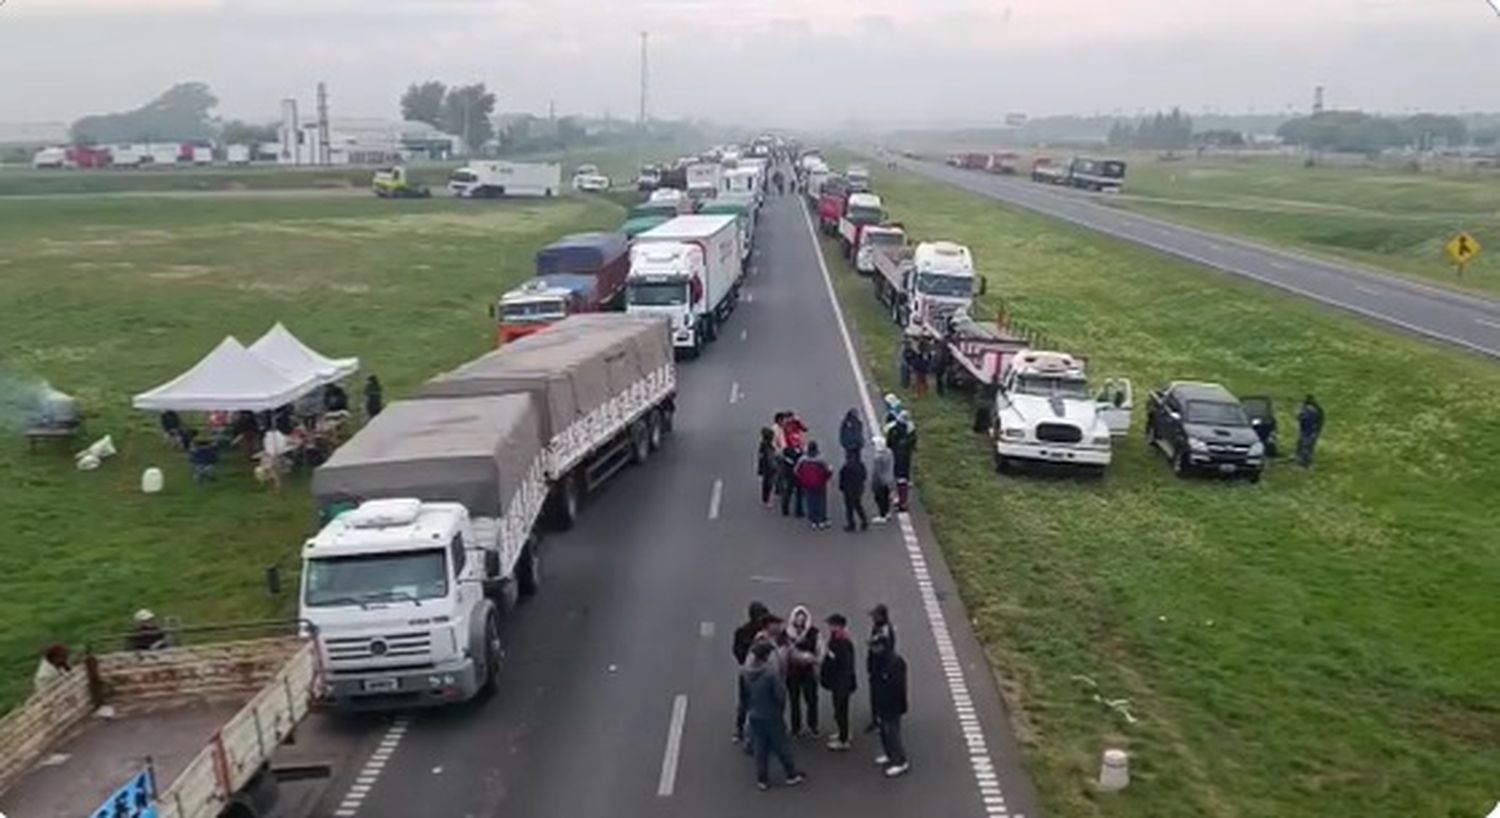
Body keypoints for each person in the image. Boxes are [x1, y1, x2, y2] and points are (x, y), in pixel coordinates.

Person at [742, 641, 806, 790]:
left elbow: (744, 696)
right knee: (781, 744)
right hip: (771, 714)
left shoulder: (745, 673)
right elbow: (780, 695)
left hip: (755, 713)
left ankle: (762, 778)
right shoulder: (770, 674)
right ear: (766, 656)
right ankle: (791, 773)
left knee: (760, 746)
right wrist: (779, 708)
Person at [869, 640, 910, 778]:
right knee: (884, 731)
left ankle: (900, 761)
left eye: (875, 646)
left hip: (892, 705)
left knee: (892, 732)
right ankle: (889, 754)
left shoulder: (895, 663)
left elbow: (898, 687)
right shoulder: (878, 660)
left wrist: (897, 705)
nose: (872, 649)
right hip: (881, 702)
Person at [733, 602, 772, 743]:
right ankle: (740, 728)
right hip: (748, 671)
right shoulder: (743, 632)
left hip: (764, 671)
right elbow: (737, 651)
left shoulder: (768, 632)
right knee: (745, 701)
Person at [820, 613, 858, 751]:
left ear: (838, 626)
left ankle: (843, 739)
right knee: (841, 710)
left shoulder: (841, 642)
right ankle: (844, 732)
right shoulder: (839, 639)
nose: (829, 627)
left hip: (841, 683)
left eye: (831, 624)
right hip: (840, 681)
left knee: (840, 710)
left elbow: (842, 663)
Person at [785, 606, 821, 737]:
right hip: (792, 672)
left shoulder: (814, 633)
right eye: (798, 618)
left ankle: (813, 726)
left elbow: (819, 649)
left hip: (808, 671)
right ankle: (796, 727)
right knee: (794, 700)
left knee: (811, 699)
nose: (800, 621)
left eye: (802, 619)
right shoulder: (786, 633)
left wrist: (814, 660)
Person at [865, 604, 897, 732]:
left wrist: (873, 644)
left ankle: (881, 719)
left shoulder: (885, 631)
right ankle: (876, 718)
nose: (873, 618)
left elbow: (884, 649)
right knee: (874, 694)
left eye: (875, 616)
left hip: (883, 668)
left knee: (880, 694)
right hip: (875, 667)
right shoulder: (878, 627)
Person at [794, 441, 833, 530]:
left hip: (807, 483)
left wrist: (802, 479)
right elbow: (828, 470)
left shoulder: (803, 459)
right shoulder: (821, 459)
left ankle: (813, 521)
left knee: (810, 500)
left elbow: (796, 471)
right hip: (820, 483)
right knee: (821, 501)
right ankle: (822, 520)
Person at [887, 413, 917, 512]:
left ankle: (900, 500)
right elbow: (913, 442)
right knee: (903, 479)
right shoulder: (910, 429)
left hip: (897, 456)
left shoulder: (894, 428)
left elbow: (889, 442)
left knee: (898, 479)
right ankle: (902, 500)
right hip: (906, 457)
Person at [839, 452, 869, 532]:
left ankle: (851, 524)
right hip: (858, 488)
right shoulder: (860, 465)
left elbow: (842, 479)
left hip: (848, 490)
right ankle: (864, 521)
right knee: (858, 505)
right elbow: (864, 476)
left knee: (849, 508)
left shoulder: (845, 468)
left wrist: (842, 488)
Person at [870, 436, 895, 523]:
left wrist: (873, 484)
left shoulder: (878, 458)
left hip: (880, 481)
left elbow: (877, 472)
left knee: (879, 498)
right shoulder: (889, 452)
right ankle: (887, 513)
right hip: (888, 478)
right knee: (886, 497)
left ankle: (882, 515)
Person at [779, 437, 805, 518]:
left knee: (788, 491)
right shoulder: (799, 453)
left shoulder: (786, 451)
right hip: (797, 474)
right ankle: (799, 511)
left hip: (788, 474)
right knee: (799, 493)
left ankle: (785, 509)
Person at [1296, 394, 1324, 468]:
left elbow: (1300, 417)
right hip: (1309, 430)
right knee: (1304, 444)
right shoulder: (1316, 409)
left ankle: (1305, 463)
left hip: (1309, 431)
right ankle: (1301, 460)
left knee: (1306, 445)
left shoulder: (1311, 410)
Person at [756, 427, 779, 508]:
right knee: (769, 484)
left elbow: (760, 457)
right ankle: (767, 500)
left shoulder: (763, 445)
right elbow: (770, 458)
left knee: (766, 484)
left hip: (765, 467)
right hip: (769, 468)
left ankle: (765, 499)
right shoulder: (767, 446)